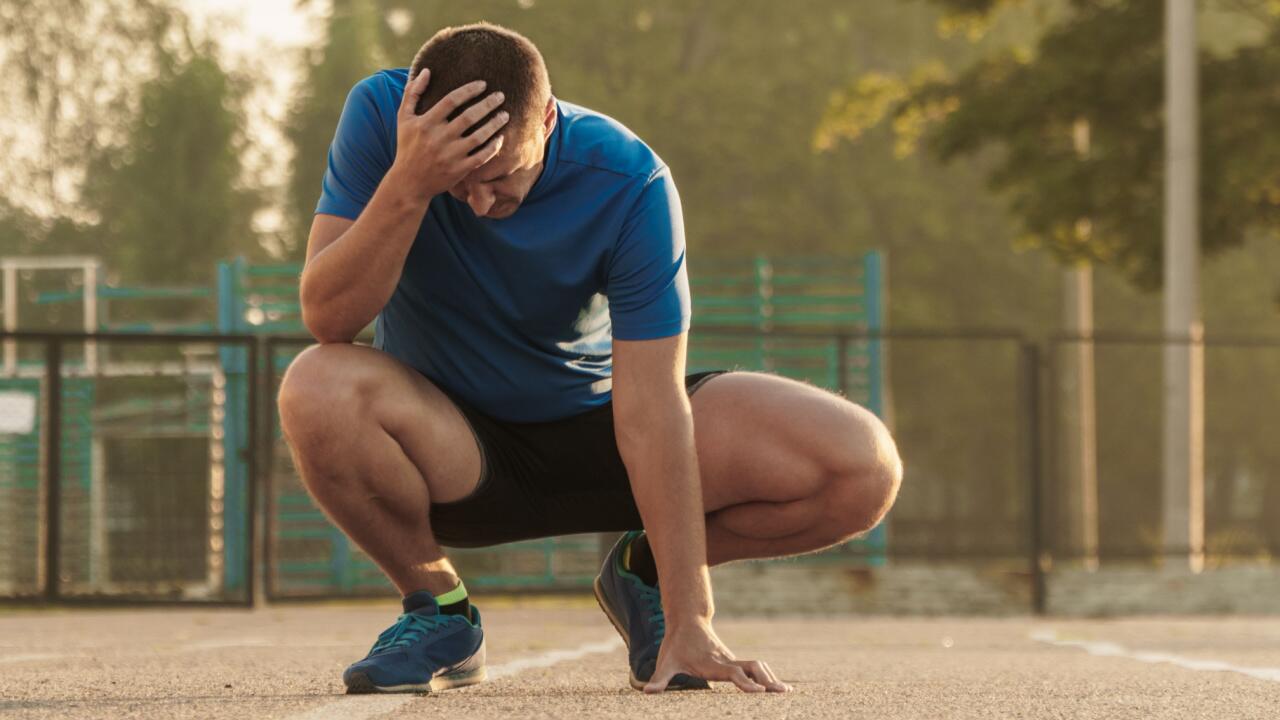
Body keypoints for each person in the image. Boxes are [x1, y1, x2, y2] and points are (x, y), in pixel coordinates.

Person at [278, 21, 902, 696]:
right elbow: (329, 318)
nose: (483, 202)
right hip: (449, 448)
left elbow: (653, 404)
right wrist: (410, 183)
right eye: (461, 182)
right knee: (316, 385)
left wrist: (692, 615)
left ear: (547, 119)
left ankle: (645, 576)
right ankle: (439, 610)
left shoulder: (628, 180)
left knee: (859, 467)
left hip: (602, 428)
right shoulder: (382, 118)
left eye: (501, 174)